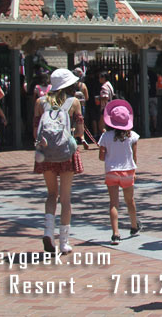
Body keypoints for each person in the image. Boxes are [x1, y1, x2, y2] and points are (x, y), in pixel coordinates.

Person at [33, 68, 85, 254]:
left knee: (51, 194)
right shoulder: (74, 102)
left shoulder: (40, 102)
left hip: (46, 153)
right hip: (66, 153)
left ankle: (48, 231)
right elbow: (80, 131)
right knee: (65, 198)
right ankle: (64, 241)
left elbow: (34, 131)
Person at [98, 99, 140, 244]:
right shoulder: (132, 136)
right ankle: (134, 225)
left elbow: (101, 157)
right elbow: (134, 156)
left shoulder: (105, 136)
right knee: (130, 201)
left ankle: (115, 233)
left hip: (112, 171)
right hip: (128, 170)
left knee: (114, 203)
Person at [95, 71, 114, 137]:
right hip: (110, 106)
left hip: (105, 107)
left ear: (104, 78)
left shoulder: (104, 86)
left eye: (100, 77)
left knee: (101, 125)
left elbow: (106, 97)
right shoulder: (109, 85)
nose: (99, 79)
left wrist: (99, 98)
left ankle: (106, 138)